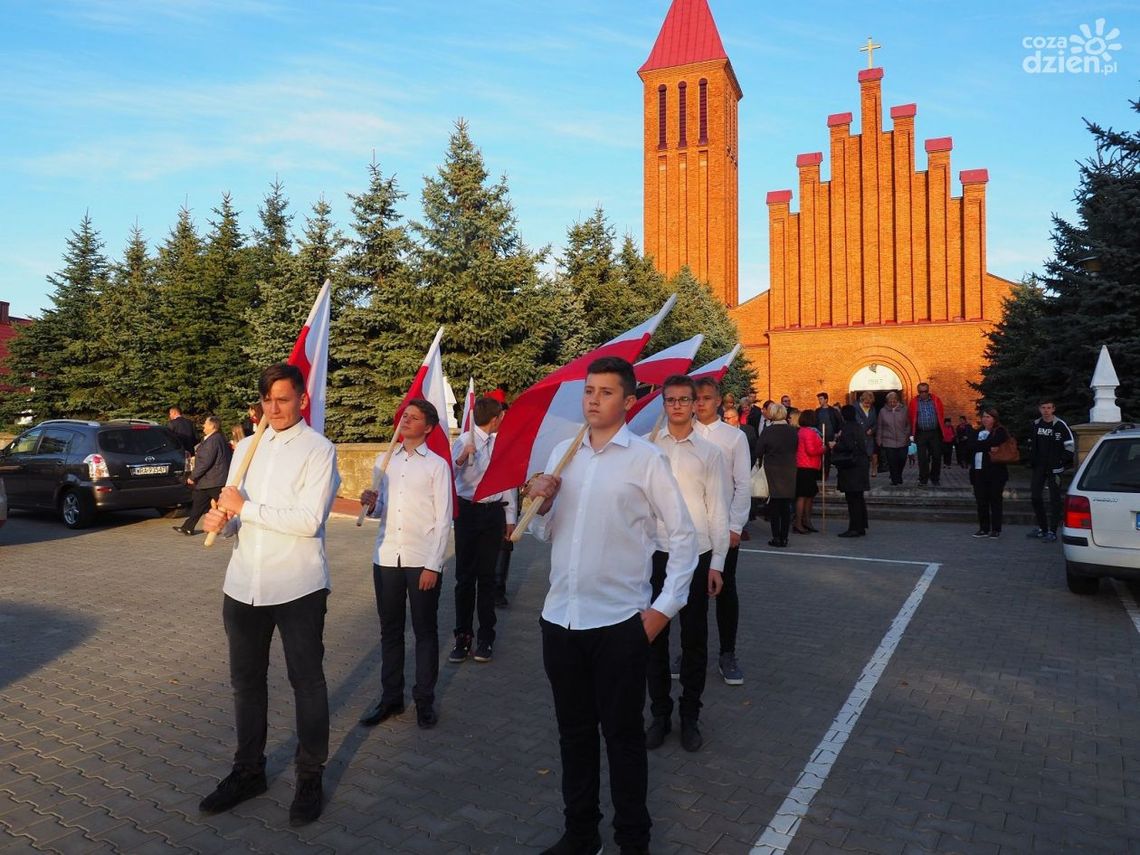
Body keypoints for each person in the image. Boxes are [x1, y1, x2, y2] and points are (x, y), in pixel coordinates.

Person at [523, 356, 697, 855]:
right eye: (588, 391)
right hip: (561, 619)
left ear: (627, 400)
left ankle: (632, 840)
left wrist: (664, 609)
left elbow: (682, 537)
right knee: (573, 736)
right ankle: (581, 834)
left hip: (620, 623)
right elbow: (543, 532)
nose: (593, 400)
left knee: (622, 739)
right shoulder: (563, 453)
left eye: (604, 392)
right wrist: (543, 501)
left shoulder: (645, 460)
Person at [198, 364, 339, 827]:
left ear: (301, 398)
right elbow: (234, 510)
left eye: (282, 399)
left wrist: (246, 508)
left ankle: (310, 775)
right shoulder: (247, 450)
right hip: (243, 585)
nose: (273, 409)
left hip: (297, 585)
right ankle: (248, 771)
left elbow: (307, 520)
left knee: (307, 684)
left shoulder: (320, 450)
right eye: (266, 400)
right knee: (246, 684)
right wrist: (222, 519)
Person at [645, 374, 726, 753]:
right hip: (656, 552)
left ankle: (690, 715)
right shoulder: (648, 448)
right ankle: (659, 713)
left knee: (694, 640)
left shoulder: (710, 454)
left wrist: (718, 563)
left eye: (683, 400)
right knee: (653, 638)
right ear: (663, 403)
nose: (677, 406)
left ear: (696, 403)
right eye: (670, 400)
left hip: (696, 553)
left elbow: (718, 510)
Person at [359, 399, 452, 730]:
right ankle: (391, 698)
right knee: (390, 631)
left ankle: (424, 700)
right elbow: (381, 509)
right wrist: (371, 505)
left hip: (420, 559)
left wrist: (433, 565)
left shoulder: (437, 466)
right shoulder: (384, 461)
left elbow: (443, 520)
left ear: (427, 427)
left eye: (413, 418)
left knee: (425, 631)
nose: (405, 422)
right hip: (386, 557)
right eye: (404, 417)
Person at [694, 376, 752, 686]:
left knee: (725, 590)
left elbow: (742, 483)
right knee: (691, 593)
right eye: (696, 398)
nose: (700, 403)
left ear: (718, 401)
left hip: (722, 528)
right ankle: (693, 651)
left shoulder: (733, 437)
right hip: (690, 530)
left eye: (706, 398)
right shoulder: (681, 434)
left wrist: (735, 525)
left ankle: (727, 652)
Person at [449, 396, 516, 664]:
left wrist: (510, 516)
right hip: (468, 512)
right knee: (465, 578)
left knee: (487, 578)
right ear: (495, 417)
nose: (503, 419)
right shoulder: (464, 441)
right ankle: (462, 636)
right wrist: (462, 459)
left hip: (493, 513)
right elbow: (451, 475)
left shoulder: (501, 443)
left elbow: (508, 480)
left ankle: (486, 636)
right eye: (502, 415)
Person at [1027, 399, 1075, 543]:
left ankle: (1052, 531)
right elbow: (1031, 444)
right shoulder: (1036, 425)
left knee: (1055, 500)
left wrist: (1061, 460)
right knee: (1035, 496)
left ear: (1053, 409)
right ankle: (1042, 528)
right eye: (1043, 408)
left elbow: (1070, 446)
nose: (1046, 411)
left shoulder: (1060, 425)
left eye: (1049, 408)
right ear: (1039, 409)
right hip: (1039, 467)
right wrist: (1032, 459)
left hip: (1055, 469)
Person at [175, 415, 232, 536]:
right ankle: (188, 527)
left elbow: (205, 462)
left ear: (212, 426)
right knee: (198, 505)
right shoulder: (218, 438)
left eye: (205, 424)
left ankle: (236, 526)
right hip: (210, 480)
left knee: (225, 506)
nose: (203, 426)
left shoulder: (213, 440)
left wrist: (192, 477)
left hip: (213, 480)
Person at [756, 402, 797, 547]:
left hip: (772, 469)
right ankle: (784, 537)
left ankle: (776, 537)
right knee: (785, 506)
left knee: (774, 505)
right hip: (789, 469)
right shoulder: (793, 431)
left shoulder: (768, 431)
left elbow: (759, 450)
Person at [966, 407, 1011, 539]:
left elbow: (994, 442)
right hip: (978, 471)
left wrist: (981, 445)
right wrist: (986, 446)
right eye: (984, 416)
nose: (985, 419)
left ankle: (996, 529)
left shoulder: (1000, 431)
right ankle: (983, 528)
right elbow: (971, 445)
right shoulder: (978, 431)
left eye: (988, 417)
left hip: (995, 472)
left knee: (995, 500)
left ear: (994, 418)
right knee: (981, 501)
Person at [832, 405, 870, 537]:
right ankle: (860, 526)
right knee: (858, 498)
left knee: (853, 499)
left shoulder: (847, 428)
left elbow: (847, 445)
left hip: (851, 468)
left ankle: (854, 527)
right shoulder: (858, 426)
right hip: (860, 466)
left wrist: (835, 446)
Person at [907, 382, 945, 486]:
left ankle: (935, 478)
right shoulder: (914, 402)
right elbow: (910, 417)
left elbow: (941, 414)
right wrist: (912, 434)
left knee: (937, 456)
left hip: (934, 432)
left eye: (925, 391)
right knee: (922, 458)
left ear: (928, 391)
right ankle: (923, 478)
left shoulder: (936, 400)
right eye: (921, 392)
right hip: (921, 433)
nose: (923, 393)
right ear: (918, 392)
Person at [794, 409, 825, 534]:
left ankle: (805, 521)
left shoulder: (801, 431)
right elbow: (811, 451)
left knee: (808, 495)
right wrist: (823, 449)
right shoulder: (809, 433)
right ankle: (800, 522)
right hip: (807, 466)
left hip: (804, 466)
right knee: (803, 496)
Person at [875, 391, 909, 486]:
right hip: (888, 440)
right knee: (892, 461)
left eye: (894, 401)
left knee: (902, 459)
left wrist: (907, 434)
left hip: (903, 439)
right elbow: (880, 426)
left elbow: (908, 424)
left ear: (898, 401)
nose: (892, 403)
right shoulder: (882, 411)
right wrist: (879, 439)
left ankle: (898, 475)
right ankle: (895, 479)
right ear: (887, 402)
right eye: (890, 402)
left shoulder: (904, 409)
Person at [815, 393, 843, 479]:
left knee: (828, 457)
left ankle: (825, 474)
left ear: (826, 399)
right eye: (819, 399)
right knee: (820, 456)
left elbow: (840, 423)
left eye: (821, 399)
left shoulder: (833, 411)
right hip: (819, 436)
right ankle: (820, 474)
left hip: (830, 436)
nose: (820, 401)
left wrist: (837, 433)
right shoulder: (817, 411)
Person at [854, 391, 878, 476]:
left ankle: (873, 469)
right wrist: (864, 429)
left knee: (872, 453)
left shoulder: (872, 409)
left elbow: (875, 422)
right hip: (859, 436)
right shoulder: (855, 408)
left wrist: (872, 429)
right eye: (866, 403)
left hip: (869, 436)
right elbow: (857, 421)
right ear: (862, 400)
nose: (868, 405)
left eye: (870, 403)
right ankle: (860, 471)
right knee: (860, 454)